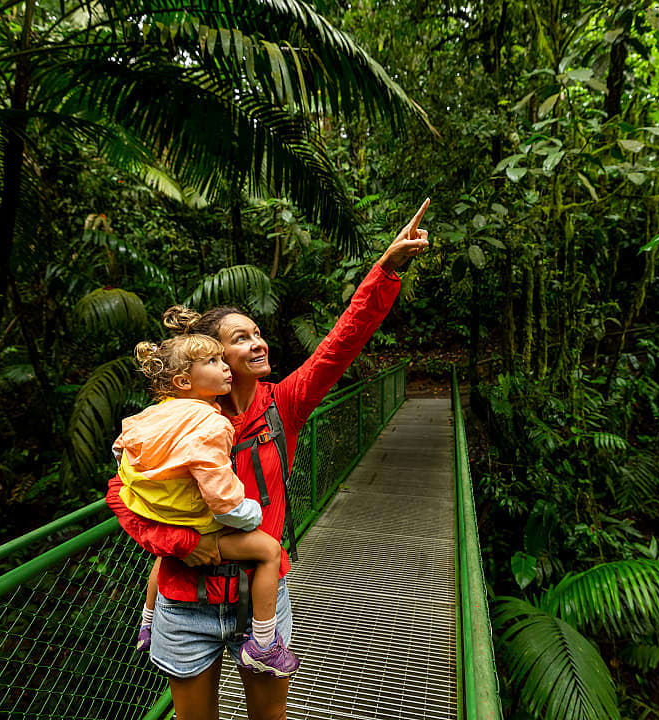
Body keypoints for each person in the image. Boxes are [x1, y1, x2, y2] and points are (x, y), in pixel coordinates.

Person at [106, 199, 431, 720]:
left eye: (256, 332)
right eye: (241, 339)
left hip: (259, 600)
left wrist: (386, 270)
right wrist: (186, 542)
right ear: (210, 360)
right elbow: (121, 494)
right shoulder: (171, 418)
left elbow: (339, 344)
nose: (258, 342)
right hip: (185, 598)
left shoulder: (285, 404)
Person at [117, 327, 299, 676]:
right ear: (185, 381)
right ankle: (263, 644)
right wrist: (249, 514)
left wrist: (152, 486)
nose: (225, 366)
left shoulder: (156, 412)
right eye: (214, 361)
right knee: (269, 550)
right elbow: (222, 498)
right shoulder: (210, 422)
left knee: (160, 558)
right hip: (199, 519)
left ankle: (147, 623)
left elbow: (121, 448)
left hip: (156, 510)